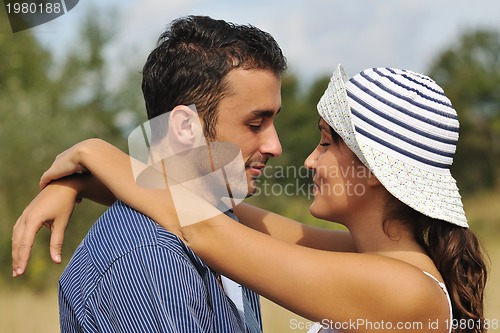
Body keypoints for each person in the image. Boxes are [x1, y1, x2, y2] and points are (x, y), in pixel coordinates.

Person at [13, 65, 488, 333]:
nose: (306, 160)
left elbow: (204, 228)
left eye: (326, 143)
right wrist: (76, 183)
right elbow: (206, 203)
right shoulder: (380, 262)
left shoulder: (404, 293)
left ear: (376, 173)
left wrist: (93, 149)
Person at [12, 15, 288, 333]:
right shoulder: (149, 258)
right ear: (185, 127)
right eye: (255, 124)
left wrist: (87, 171)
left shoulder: (222, 219)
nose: (275, 146)